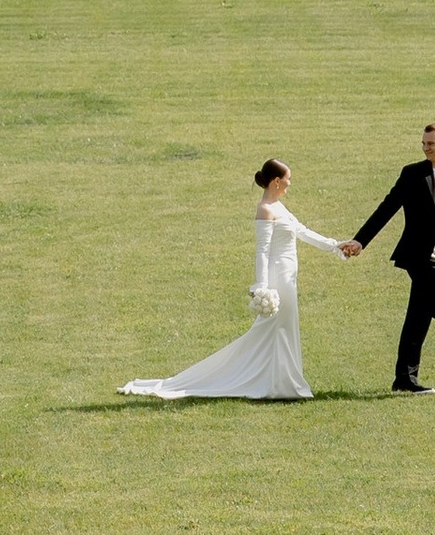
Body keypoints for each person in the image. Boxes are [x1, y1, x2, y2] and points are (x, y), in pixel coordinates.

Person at [124, 159, 348, 401]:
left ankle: (282, 382)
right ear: (276, 181)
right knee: (275, 328)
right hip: (278, 277)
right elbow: (262, 251)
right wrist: (262, 287)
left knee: (283, 328)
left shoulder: (279, 206)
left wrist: (335, 245)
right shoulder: (266, 210)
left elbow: (302, 231)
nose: (290, 184)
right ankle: (278, 384)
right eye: (288, 179)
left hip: (289, 275)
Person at [344, 121, 435, 392]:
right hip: (419, 256)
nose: (425, 148)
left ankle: (404, 378)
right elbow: (388, 206)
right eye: (423, 143)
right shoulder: (412, 174)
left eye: (430, 143)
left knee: (419, 316)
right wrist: (361, 240)